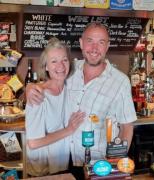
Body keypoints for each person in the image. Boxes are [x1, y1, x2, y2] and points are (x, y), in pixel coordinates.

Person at [26, 22, 137, 179]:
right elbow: (49, 81)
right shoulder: (69, 70)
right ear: (81, 43)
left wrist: (116, 164)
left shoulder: (120, 81)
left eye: (101, 42)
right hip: (64, 162)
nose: (94, 48)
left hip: (98, 164)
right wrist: (30, 87)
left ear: (107, 46)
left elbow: (127, 126)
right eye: (90, 41)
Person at [25, 37, 85, 177]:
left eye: (64, 60)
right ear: (46, 66)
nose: (61, 66)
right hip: (42, 172)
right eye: (54, 61)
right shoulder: (38, 96)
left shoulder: (68, 87)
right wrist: (69, 130)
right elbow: (33, 143)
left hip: (63, 167)